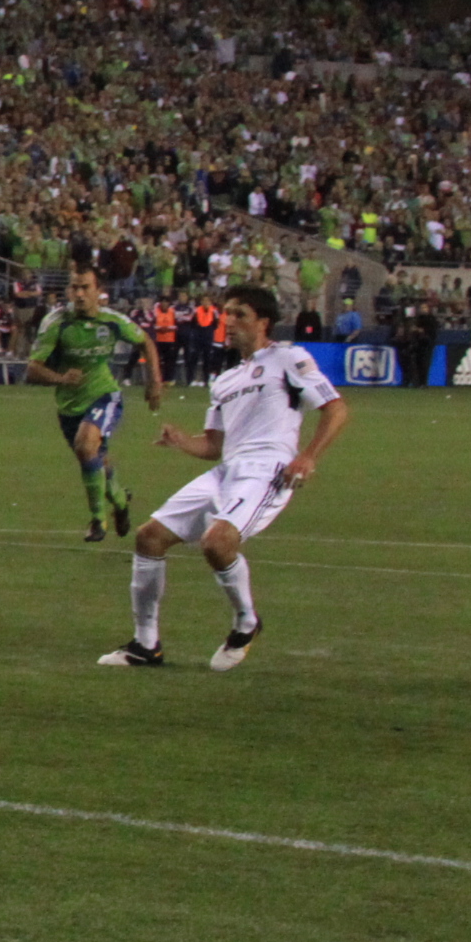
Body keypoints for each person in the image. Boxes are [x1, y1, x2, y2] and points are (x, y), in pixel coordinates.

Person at [104, 285, 348, 672]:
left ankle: (246, 623)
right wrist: (182, 440)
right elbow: (214, 446)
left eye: (239, 315)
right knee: (149, 536)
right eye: (226, 314)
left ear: (263, 322)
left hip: (269, 469)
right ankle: (145, 645)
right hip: (228, 469)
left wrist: (307, 456)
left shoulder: (289, 357)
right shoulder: (226, 380)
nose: (228, 322)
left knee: (217, 542)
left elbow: (334, 408)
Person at [27, 266, 165, 543]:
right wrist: (62, 378)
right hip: (69, 405)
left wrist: (154, 383)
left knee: (86, 444)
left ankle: (98, 520)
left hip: (105, 395)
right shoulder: (56, 323)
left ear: (98, 291)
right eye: (74, 288)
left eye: (85, 288)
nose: (78, 294)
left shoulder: (111, 320)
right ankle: (120, 501)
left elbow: (145, 341)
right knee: (94, 458)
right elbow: (32, 370)